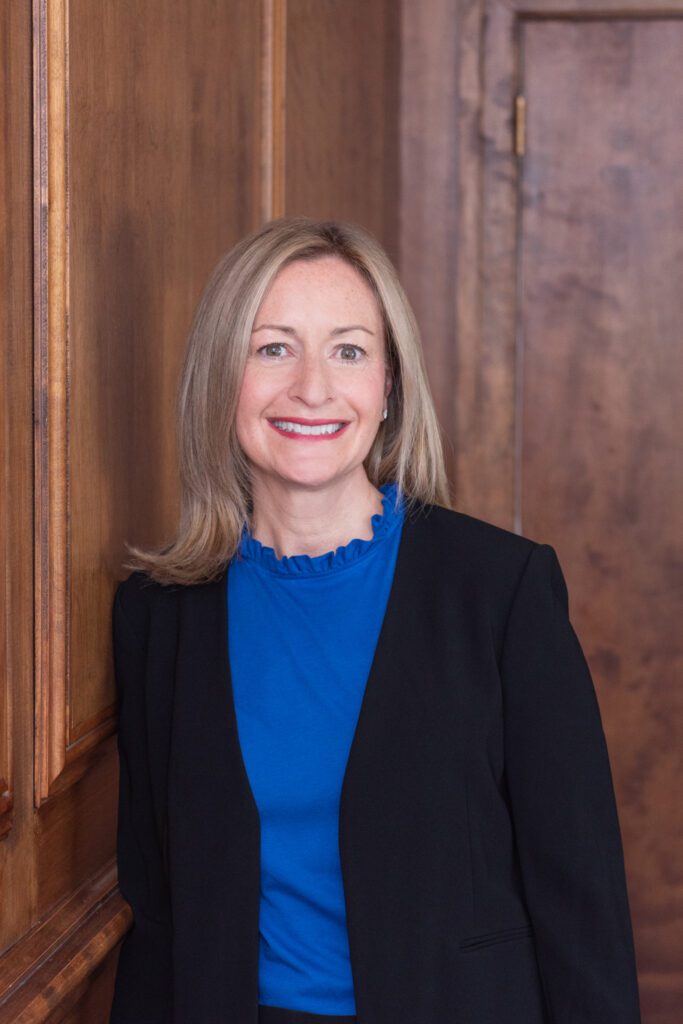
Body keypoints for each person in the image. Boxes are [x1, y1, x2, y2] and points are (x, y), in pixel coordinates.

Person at [109, 217, 641, 1024]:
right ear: (223, 376)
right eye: (272, 348)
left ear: (388, 384)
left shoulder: (499, 590)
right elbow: (158, 914)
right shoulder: (158, 616)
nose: (312, 387)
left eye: (348, 350)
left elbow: (580, 902)